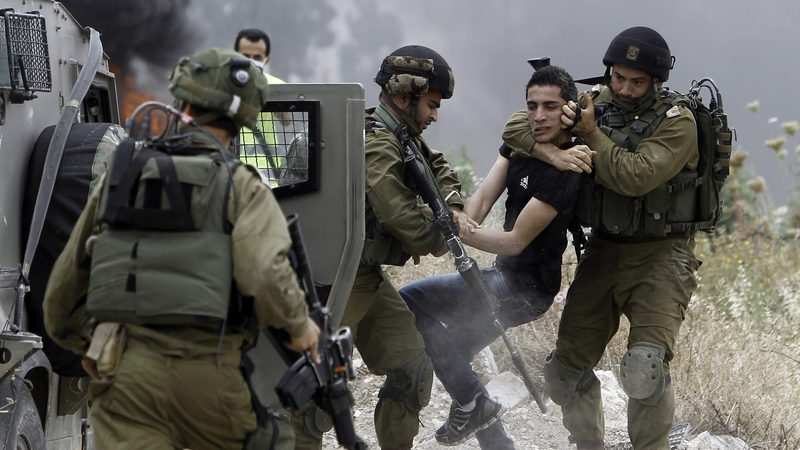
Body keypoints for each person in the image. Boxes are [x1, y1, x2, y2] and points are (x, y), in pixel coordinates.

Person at [42, 48, 320, 450]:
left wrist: (103, 346)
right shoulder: (244, 187)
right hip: (209, 379)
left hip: (126, 381)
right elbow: (265, 273)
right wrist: (301, 328)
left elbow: (59, 304)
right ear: (244, 118)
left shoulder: (120, 177)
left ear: (183, 102)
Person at [503, 27, 701, 450]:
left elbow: (636, 177)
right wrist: (552, 152)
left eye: (638, 82)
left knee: (644, 370)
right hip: (604, 250)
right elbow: (518, 127)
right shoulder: (596, 103)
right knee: (564, 371)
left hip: (662, 257)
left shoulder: (678, 121)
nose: (625, 89)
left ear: (657, 82)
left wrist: (592, 134)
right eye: (618, 78)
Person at [291, 45, 473, 450]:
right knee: (310, 396)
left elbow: (438, 166)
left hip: (364, 276)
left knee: (412, 368)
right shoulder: (378, 140)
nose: (435, 115)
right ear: (405, 95)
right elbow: (397, 214)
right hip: (335, 279)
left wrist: (454, 206)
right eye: (432, 104)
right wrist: (437, 238)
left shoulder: (399, 133)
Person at [399, 65, 584, 449]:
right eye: (532, 106)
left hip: (525, 290)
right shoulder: (521, 144)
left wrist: (456, 228)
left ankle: (474, 403)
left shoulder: (568, 167)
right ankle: (495, 439)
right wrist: (461, 216)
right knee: (455, 352)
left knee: (409, 301)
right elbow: (482, 200)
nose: (538, 116)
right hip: (504, 278)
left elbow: (514, 242)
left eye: (550, 107)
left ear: (568, 109)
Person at [234, 28, 290, 185]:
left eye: (257, 57)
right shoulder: (221, 85)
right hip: (231, 175)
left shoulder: (276, 85)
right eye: (245, 56)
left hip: (268, 179)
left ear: (267, 59)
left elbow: (287, 122)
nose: (251, 60)